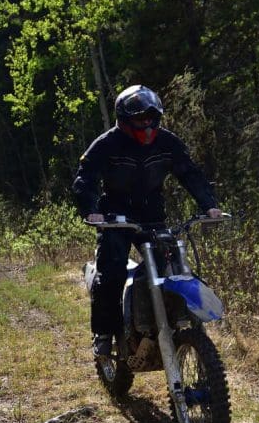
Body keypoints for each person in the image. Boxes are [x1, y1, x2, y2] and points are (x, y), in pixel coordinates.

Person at [72, 84, 223, 357]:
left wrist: (210, 206)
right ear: (125, 119)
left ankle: (174, 325)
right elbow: (86, 178)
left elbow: (190, 173)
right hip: (115, 217)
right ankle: (104, 333)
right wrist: (90, 210)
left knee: (173, 265)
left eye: (150, 118)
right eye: (140, 119)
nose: (147, 124)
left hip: (152, 214)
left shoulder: (167, 142)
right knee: (112, 271)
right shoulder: (107, 143)